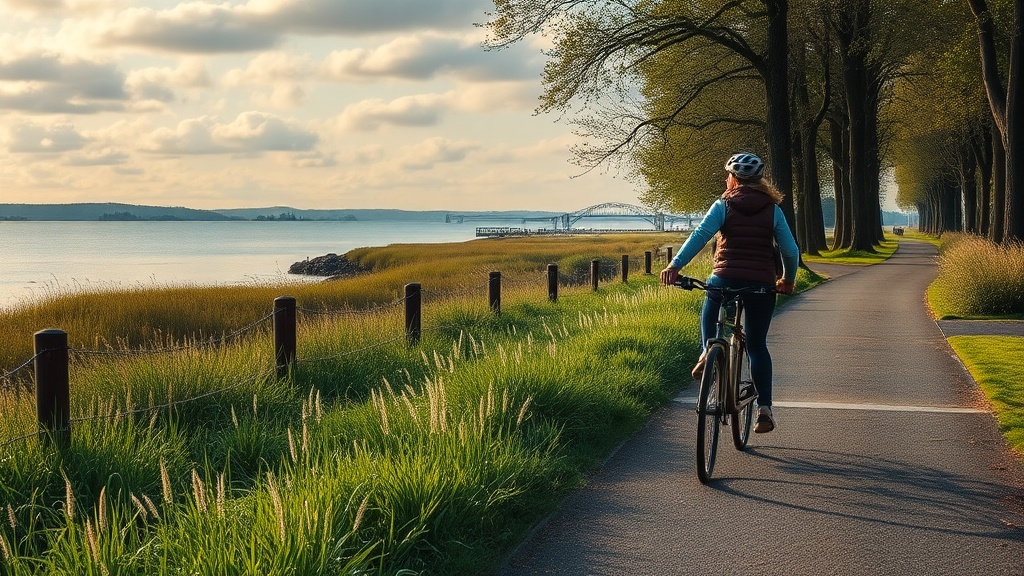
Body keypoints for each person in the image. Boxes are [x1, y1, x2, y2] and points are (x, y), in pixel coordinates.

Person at [660, 152, 799, 433]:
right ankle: (764, 409)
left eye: (728, 176)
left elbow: (699, 236)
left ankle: (706, 351)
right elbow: (790, 250)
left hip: (725, 278)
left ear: (733, 179)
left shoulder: (723, 205)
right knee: (757, 345)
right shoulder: (773, 210)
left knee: (713, 296)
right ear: (760, 180)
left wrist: (675, 265)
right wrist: (787, 280)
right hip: (761, 284)